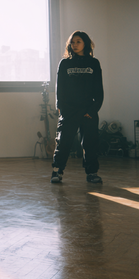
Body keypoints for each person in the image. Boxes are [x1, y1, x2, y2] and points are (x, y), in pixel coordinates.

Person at [51, 31, 104, 184]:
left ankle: (92, 173)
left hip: (88, 110)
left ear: (85, 43)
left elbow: (99, 89)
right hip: (69, 110)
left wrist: (92, 110)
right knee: (64, 142)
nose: (74, 45)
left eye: (78, 41)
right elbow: (59, 88)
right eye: (72, 42)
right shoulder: (64, 63)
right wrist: (61, 108)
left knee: (90, 143)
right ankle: (57, 171)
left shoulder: (94, 63)